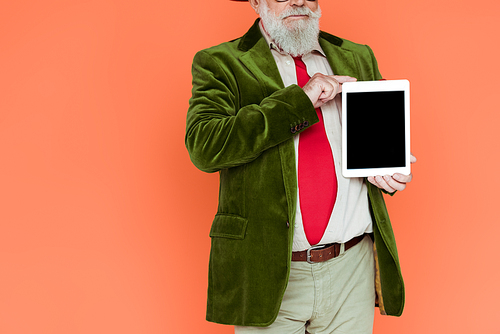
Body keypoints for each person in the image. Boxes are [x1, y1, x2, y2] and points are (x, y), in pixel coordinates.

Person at [185, 0, 415, 332]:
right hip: (268, 270)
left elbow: (377, 143)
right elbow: (205, 146)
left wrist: (389, 169)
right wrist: (300, 101)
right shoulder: (222, 62)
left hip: (352, 266)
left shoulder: (357, 55)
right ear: (256, 2)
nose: (297, 0)